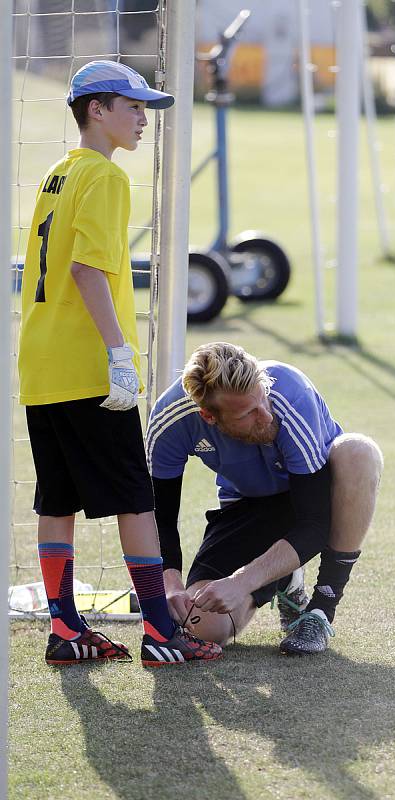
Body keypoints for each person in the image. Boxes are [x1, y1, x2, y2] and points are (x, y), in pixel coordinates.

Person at [18, 60, 222, 667]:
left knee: (56, 499)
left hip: (40, 365)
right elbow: (86, 269)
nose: (142, 119)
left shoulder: (58, 173)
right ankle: (161, 631)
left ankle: (64, 629)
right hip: (87, 368)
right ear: (96, 110)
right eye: (132, 106)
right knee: (137, 498)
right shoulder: (104, 177)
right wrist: (118, 354)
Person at [147, 341, 383, 655]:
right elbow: (158, 518)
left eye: (263, 399)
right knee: (203, 624)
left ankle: (321, 608)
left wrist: (242, 581)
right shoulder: (170, 420)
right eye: (249, 412)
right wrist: (171, 585)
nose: (266, 416)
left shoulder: (291, 394)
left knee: (358, 451)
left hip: (313, 494)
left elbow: (314, 523)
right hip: (248, 505)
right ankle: (285, 579)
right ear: (208, 416)